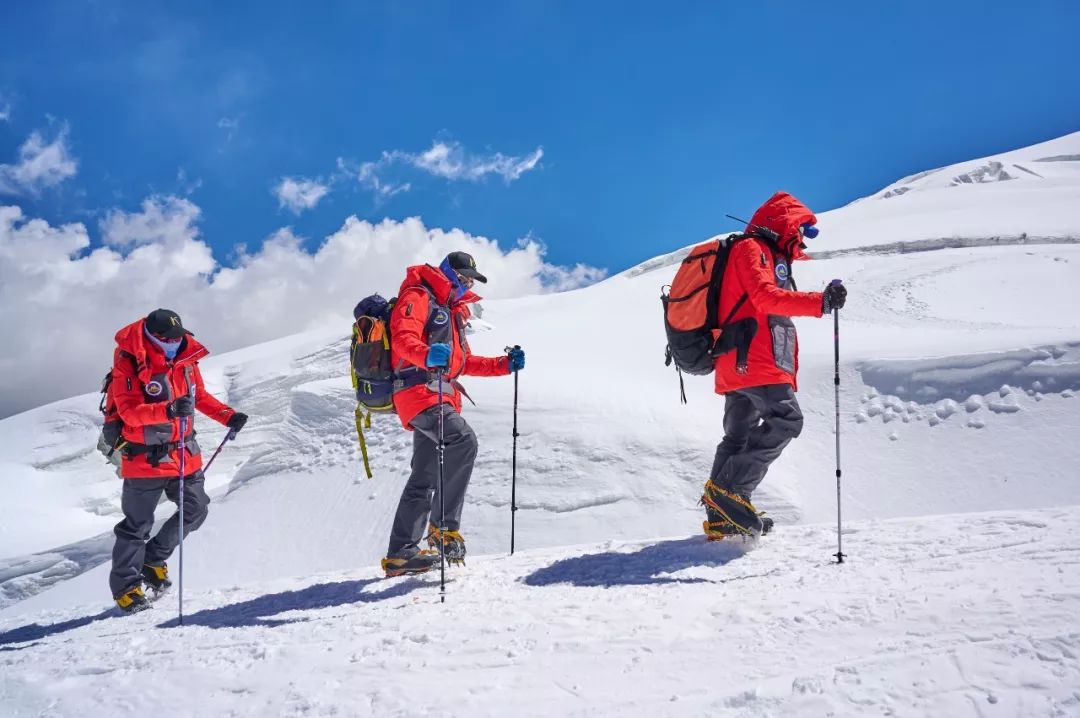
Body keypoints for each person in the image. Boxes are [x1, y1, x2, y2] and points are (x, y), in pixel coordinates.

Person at [701, 192, 847, 539]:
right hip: (754, 358)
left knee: (737, 436)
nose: (802, 239)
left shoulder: (766, 252)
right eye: (801, 229)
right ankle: (731, 493)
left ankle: (724, 515)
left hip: (741, 356)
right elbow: (764, 297)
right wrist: (820, 302)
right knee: (787, 420)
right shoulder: (751, 249)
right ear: (783, 223)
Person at [381, 252, 525, 576]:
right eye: (463, 276)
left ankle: (400, 554)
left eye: (471, 278)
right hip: (418, 391)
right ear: (448, 272)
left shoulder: (452, 313)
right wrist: (427, 353)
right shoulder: (418, 296)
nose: (468, 282)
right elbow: (404, 340)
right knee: (463, 440)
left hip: (436, 394)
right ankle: (442, 528)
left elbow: (462, 364)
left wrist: (503, 365)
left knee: (424, 476)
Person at [107, 309, 248, 612]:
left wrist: (228, 415)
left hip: (184, 452)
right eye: (167, 338)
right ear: (151, 336)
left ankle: (153, 560)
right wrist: (167, 411)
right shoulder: (128, 360)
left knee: (196, 510)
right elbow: (129, 411)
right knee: (136, 526)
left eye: (177, 336)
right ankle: (125, 588)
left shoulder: (185, 358)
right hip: (145, 457)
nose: (173, 342)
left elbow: (197, 397)